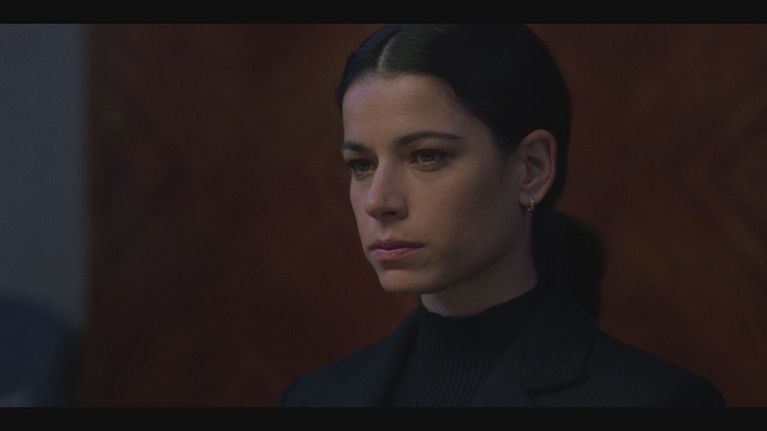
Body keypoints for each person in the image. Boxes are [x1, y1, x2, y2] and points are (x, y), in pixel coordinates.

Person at [277, 24, 725, 407]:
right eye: (361, 164)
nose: (378, 201)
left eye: (427, 156)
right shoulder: (310, 400)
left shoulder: (657, 401)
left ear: (531, 168)